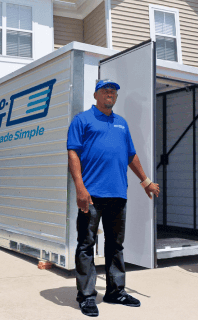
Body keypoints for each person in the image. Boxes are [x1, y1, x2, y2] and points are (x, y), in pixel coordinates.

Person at [67, 79, 160, 317]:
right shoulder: (82, 120)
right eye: (106, 90)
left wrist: (146, 181)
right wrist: (79, 187)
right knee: (86, 245)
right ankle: (87, 296)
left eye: (114, 91)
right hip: (91, 195)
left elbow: (131, 155)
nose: (110, 93)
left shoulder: (121, 123)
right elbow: (73, 153)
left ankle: (115, 291)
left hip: (118, 194)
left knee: (115, 245)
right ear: (96, 94)